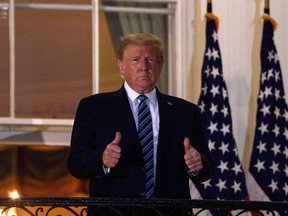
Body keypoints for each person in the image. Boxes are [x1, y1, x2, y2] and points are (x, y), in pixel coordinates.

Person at [67, 33, 214, 215]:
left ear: (160, 66)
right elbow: (76, 163)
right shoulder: (94, 108)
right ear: (122, 67)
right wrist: (102, 160)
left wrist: (197, 165)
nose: (144, 67)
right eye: (135, 60)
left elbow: (207, 167)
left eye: (150, 59)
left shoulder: (186, 112)